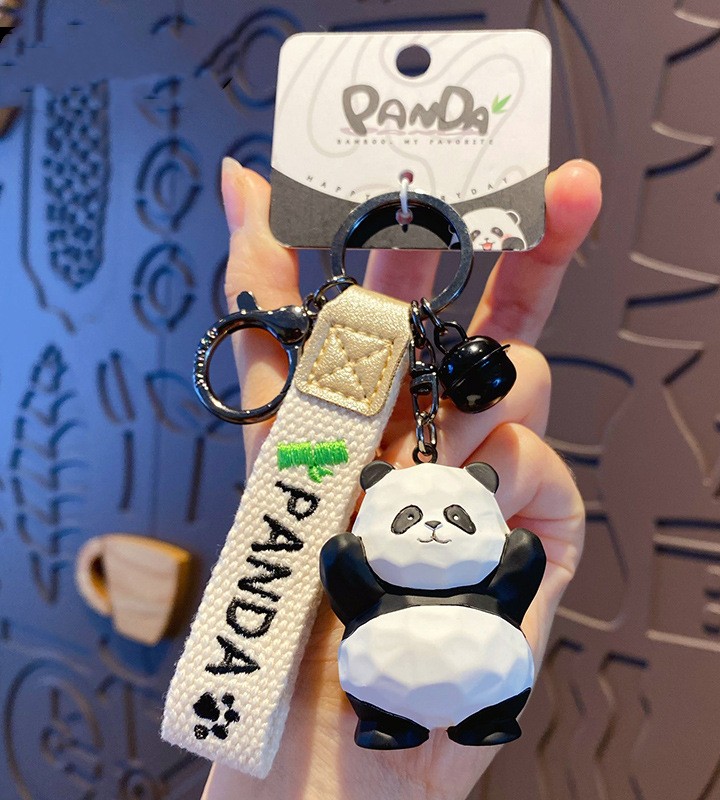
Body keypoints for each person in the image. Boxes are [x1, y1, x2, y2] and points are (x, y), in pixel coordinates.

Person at [200, 156, 602, 800]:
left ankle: (481, 719)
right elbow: (344, 571)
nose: (434, 529)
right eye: (412, 517)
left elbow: (515, 576)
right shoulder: (346, 511)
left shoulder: (487, 548)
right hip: (346, 667)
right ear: (373, 490)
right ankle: (387, 727)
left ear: (485, 495)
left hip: (479, 684)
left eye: (453, 518)